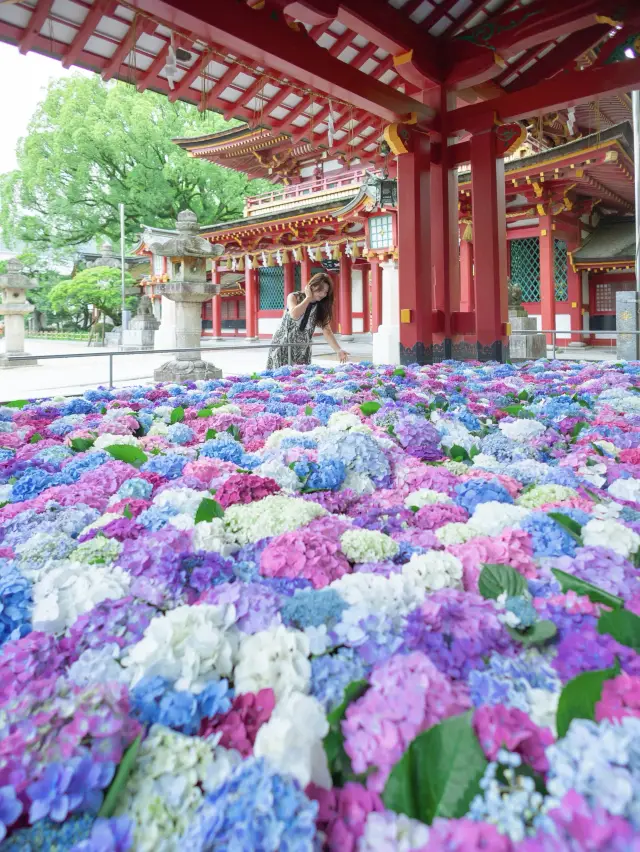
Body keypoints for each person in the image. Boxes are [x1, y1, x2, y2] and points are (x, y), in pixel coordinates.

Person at [266, 272, 349, 369]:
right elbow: (294, 314)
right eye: (320, 290)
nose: (323, 294)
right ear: (311, 286)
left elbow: (327, 331)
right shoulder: (293, 297)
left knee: (300, 378)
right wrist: (308, 298)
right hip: (283, 344)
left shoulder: (321, 306)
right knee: (281, 377)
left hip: (302, 349)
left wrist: (338, 350)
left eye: (326, 292)